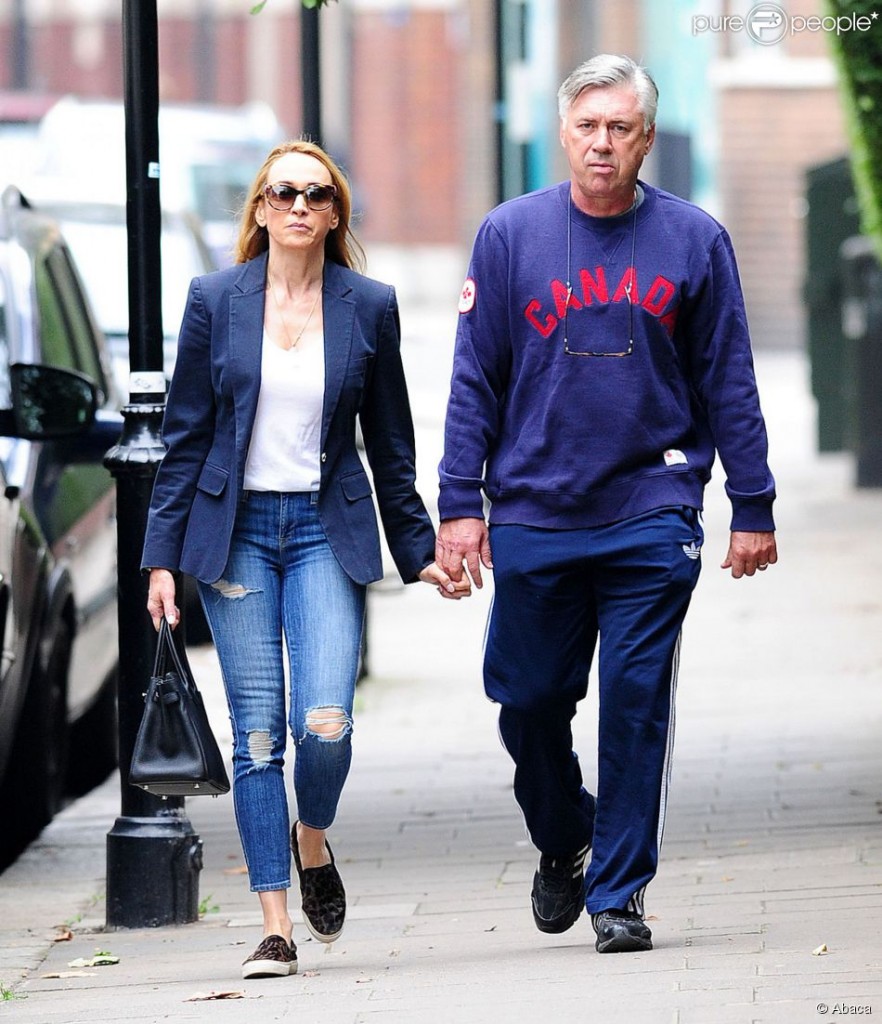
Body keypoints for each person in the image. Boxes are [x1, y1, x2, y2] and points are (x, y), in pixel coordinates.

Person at [436, 54, 777, 955]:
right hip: (535, 514)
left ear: (647, 138)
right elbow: (475, 379)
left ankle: (620, 893)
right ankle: (564, 835)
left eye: (619, 128)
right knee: (529, 700)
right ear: (564, 132)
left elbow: (728, 380)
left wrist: (753, 503)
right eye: (588, 126)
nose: (602, 143)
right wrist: (459, 503)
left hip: (651, 509)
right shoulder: (510, 238)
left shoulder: (694, 241)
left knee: (634, 703)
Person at [142, 140, 469, 980]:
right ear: (259, 209)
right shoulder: (215, 299)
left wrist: (419, 546)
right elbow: (183, 440)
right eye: (281, 192)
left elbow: (391, 443)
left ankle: (312, 835)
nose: (297, 206)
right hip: (236, 535)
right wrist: (161, 561)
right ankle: (275, 926)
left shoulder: (370, 304)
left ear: (334, 213)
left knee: (326, 723)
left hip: (327, 528)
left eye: (314, 195)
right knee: (256, 739)